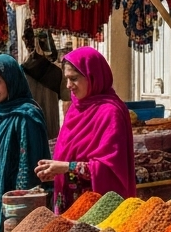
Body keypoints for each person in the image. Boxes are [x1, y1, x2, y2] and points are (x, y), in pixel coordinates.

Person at [35, 47, 136, 213]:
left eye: (73, 79)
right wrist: (55, 170)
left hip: (97, 211)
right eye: (66, 79)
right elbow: (68, 156)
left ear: (92, 76)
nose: (68, 85)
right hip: (69, 206)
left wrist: (67, 167)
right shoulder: (75, 109)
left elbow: (111, 171)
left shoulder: (111, 112)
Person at [0, 54, 51, 232]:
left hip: (14, 212)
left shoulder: (26, 117)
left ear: (11, 81)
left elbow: (29, 171)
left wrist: (17, 213)